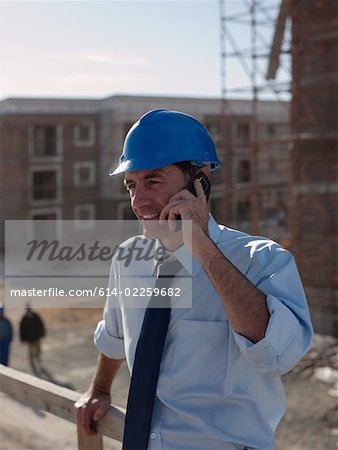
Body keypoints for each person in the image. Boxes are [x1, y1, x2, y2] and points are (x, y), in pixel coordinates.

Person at [74, 109, 313, 450]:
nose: (138, 201)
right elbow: (114, 336)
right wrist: (98, 390)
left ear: (200, 179)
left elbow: (276, 356)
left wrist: (201, 246)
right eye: (131, 185)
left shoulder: (263, 260)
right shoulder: (129, 258)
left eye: (153, 181)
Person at [19, 303, 46, 373]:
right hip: (30, 339)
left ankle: (38, 361)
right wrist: (22, 339)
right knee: (31, 352)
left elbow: (41, 324)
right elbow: (22, 330)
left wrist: (42, 332)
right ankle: (32, 364)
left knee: (38, 350)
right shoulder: (24, 319)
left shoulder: (35, 316)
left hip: (37, 337)